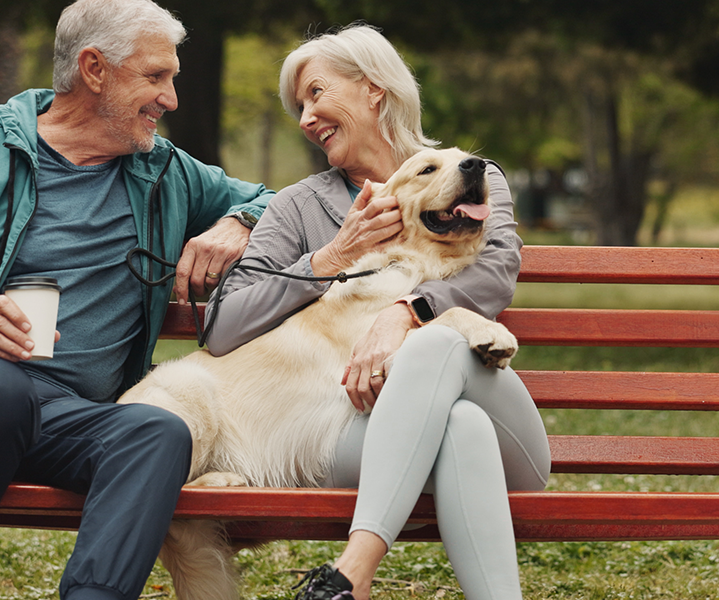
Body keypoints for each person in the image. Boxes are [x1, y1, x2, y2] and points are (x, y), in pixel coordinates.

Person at [0, 1, 273, 598]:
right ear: (94, 68)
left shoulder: (164, 173)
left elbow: (276, 198)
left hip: (58, 419)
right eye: (155, 77)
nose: (172, 98)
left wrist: (242, 220)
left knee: (156, 432)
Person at [204, 24, 551, 600]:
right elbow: (223, 326)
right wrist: (332, 257)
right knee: (458, 427)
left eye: (316, 93)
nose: (306, 117)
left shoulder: (471, 176)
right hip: (357, 434)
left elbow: (494, 273)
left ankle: (352, 574)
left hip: (504, 430)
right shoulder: (298, 208)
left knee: (440, 341)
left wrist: (404, 312)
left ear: (373, 90)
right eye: (298, 106)